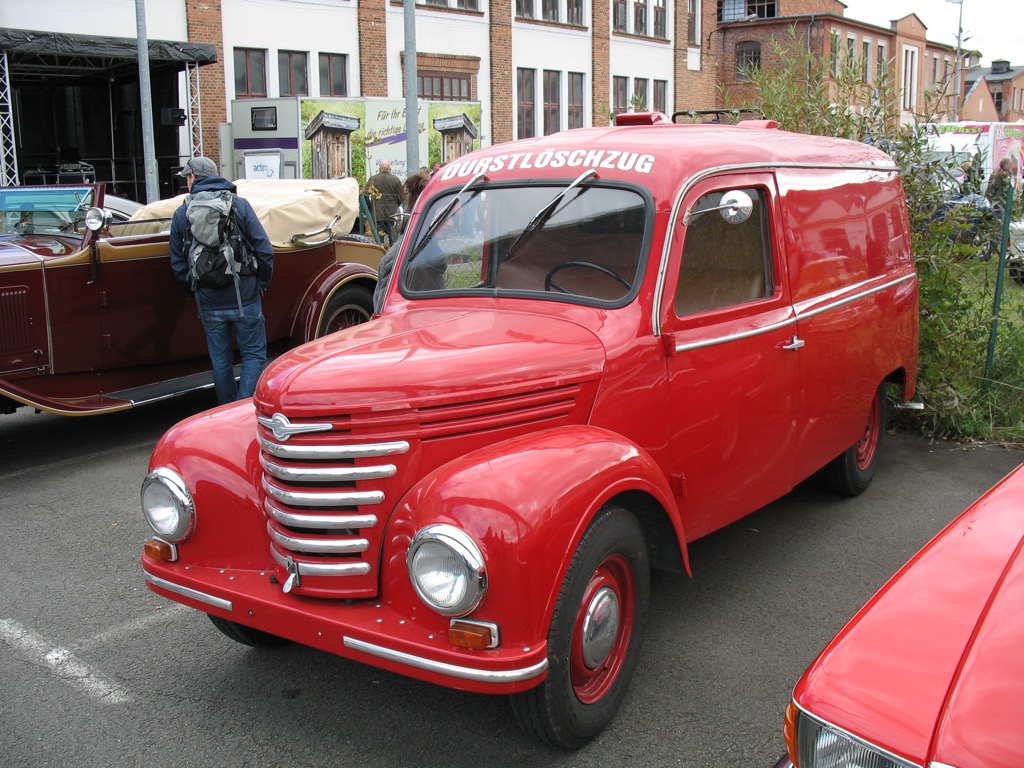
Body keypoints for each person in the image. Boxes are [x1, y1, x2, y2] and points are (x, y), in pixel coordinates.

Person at [169, 156, 274, 405]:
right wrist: (260, 284)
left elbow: (177, 263)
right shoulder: (240, 205)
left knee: (220, 361)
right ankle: (243, 410)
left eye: (187, 176)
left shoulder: (182, 213)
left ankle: (227, 413)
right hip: (245, 296)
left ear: (193, 178)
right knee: (254, 354)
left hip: (209, 301)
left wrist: (195, 288)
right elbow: (265, 250)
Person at [364, 160, 403, 245]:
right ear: (390, 169)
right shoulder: (395, 179)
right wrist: (396, 204)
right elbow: (401, 195)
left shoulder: (373, 179)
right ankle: (393, 257)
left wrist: (370, 206)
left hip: (377, 213)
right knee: (393, 241)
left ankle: (379, 256)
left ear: (379, 169)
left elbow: (365, 194)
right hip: (392, 214)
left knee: (379, 241)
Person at [984, 157, 1014, 259]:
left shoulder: (994, 173)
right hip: (1000, 204)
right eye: (1010, 164)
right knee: (999, 227)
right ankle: (992, 251)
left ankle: (993, 249)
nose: (1011, 166)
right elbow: (1007, 191)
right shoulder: (1005, 175)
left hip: (992, 203)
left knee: (994, 227)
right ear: (1005, 165)